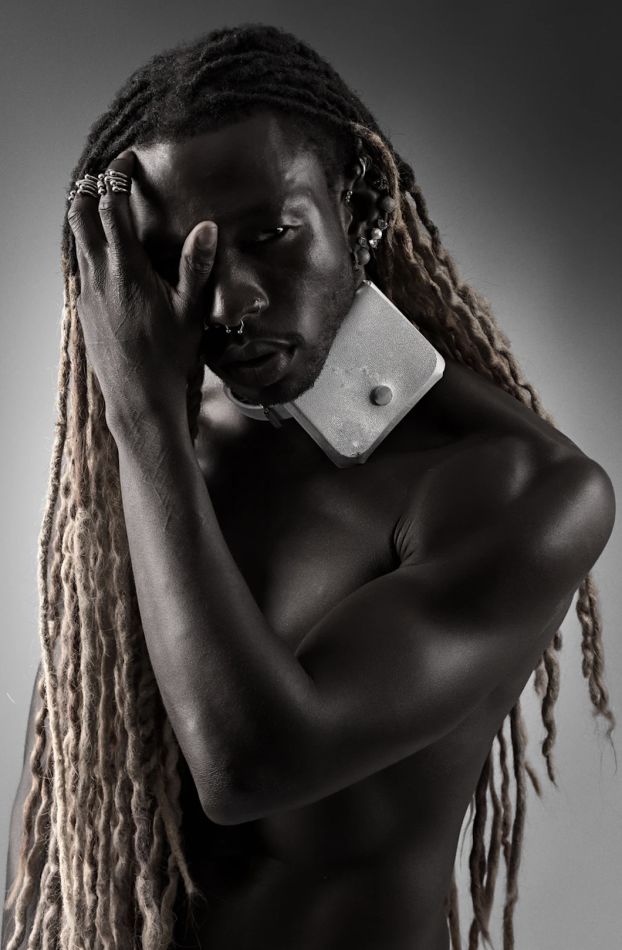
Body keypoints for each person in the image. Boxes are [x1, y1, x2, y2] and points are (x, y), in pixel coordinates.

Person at [2, 22, 616, 950]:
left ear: (356, 205)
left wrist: (146, 429)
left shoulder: (521, 490)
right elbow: (62, 811)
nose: (229, 302)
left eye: (272, 235)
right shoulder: (152, 432)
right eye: (180, 256)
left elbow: (248, 766)